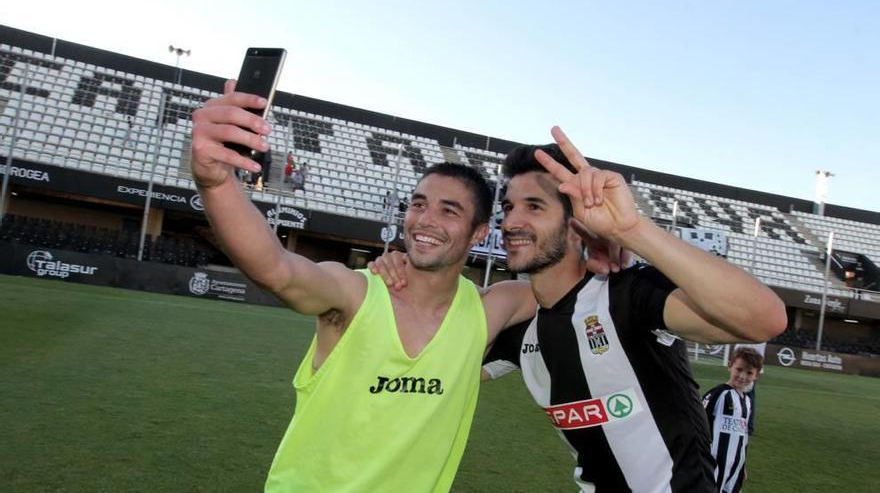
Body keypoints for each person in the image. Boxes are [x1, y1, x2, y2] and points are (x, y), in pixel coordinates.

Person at [371, 126, 786, 492]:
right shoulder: (520, 327)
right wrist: (396, 276)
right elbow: (416, 369)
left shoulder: (628, 295)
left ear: (577, 225)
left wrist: (632, 230)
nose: (512, 222)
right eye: (509, 208)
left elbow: (764, 319)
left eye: (534, 207)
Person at [189, 79, 538, 492]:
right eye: (419, 204)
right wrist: (215, 182)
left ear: (479, 233)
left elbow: (569, 283)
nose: (425, 220)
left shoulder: (489, 310)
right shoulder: (355, 292)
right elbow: (276, 269)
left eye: (449, 211)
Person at [702, 347, 763, 493]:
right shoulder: (718, 394)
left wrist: (743, 465)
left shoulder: (748, 402)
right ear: (730, 365)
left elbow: (743, 437)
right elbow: (698, 425)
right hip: (713, 464)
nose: (743, 376)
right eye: (739, 369)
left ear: (756, 376)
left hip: (735, 467)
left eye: (749, 373)